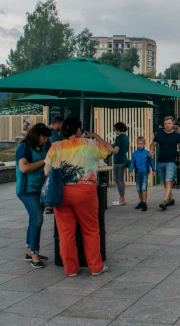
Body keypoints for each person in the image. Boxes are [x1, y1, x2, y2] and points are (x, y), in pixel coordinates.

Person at [44, 118, 111, 276]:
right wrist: (94, 136)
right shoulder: (90, 144)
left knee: (66, 232)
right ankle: (96, 267)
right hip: (85, 191)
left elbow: (46, 172)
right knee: (91, 230)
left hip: (61, 192)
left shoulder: (56, 146)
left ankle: (71, 269)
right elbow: (108, 150)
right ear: (79, 130)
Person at [16, 123, 52, 268]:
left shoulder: (43, 147)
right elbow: (23, 168)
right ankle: (35, 255)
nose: (45, 140)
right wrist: (43, 161)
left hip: (39, 189)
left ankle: (29, 251)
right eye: (43, 137)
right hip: (27, 190)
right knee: (37, 220)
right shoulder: (23, 148)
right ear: (36, 135)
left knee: (34, 220)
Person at [150, 116, 180, 211]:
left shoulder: (177, 135)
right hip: (161, 161)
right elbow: (153, 144)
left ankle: (165, 201)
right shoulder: (159, 134)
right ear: (164, 125)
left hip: (171, 161)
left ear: (172, 124)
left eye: (169, 123)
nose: (168, 125)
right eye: (166, 124)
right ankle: (171, 198)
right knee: (165, 181)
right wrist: (151, 150)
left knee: (169, 180)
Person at [129, 137, 156, 211]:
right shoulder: (134, 154)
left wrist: (154, 170)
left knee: (144, 187)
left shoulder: (147, 153)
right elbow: (132, 163)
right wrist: (130, 171)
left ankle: (144, 203)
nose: (140, 145)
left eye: (141, 144)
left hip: (145, 173)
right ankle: (141, 201)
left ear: (144, 144)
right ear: (136, 144)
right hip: (137, 173)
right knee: (138, 188)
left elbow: (151, 162)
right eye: (138, 144)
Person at [111, 122, 129, 206]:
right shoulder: (126, 137)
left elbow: (116, 150)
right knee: (121, 180)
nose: (114, 131)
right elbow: (126, 149)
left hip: (118, 161)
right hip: (124, 160)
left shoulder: (118, 138)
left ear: (118, 129)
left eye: (115, 129)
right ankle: (122, 198)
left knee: (117, 180)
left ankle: (122, 199)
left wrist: (110, 148)